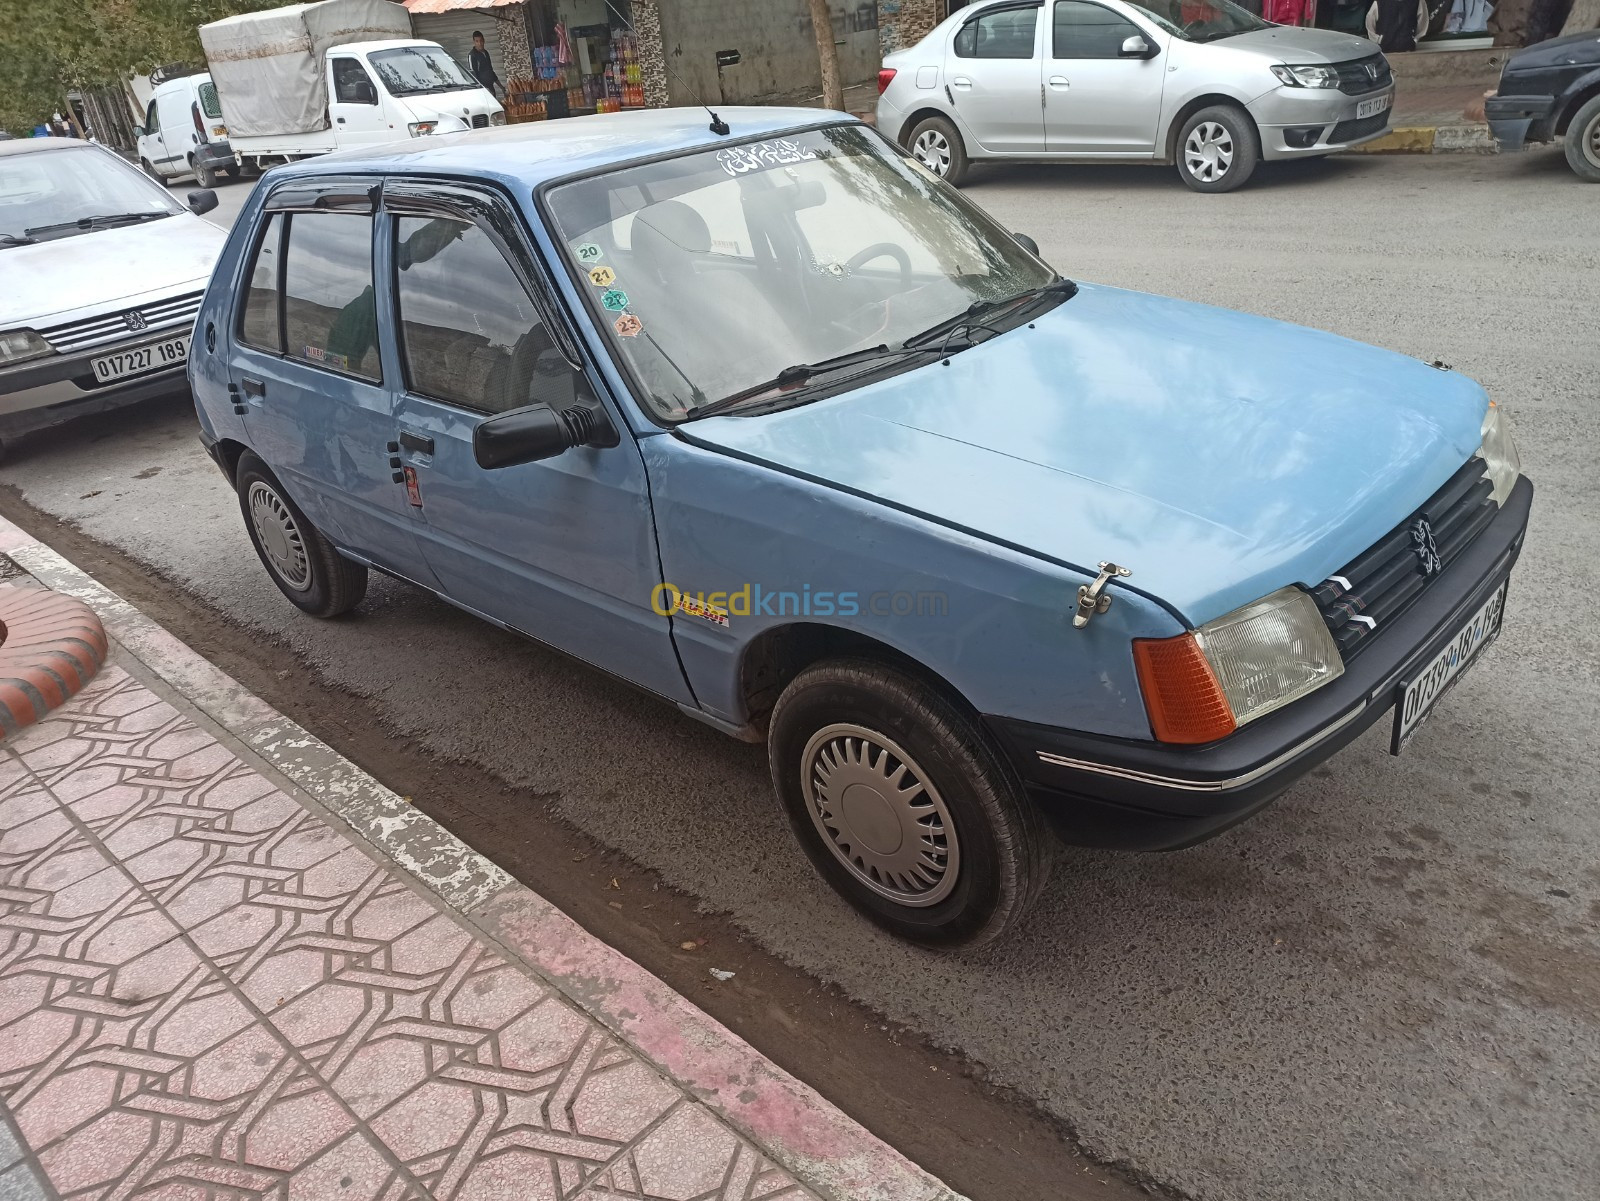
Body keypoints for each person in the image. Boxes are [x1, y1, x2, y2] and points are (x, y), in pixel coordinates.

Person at [468, 32, 501, 98]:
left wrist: (501, 87)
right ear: (474, 42)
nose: (479, 43)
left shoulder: (486, 53)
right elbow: (474, 76)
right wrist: (484, 90)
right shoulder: (472, 55)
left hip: (491, 87)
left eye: (481, 41)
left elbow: (490, 70)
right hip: (483, 91)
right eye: (477, 41)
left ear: (484, 40)